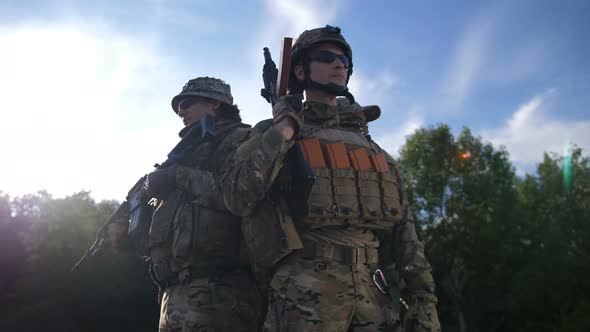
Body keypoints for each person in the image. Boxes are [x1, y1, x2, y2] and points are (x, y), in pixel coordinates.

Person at [219, 26, 441, 331]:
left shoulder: (372, 147)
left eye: (344, 61)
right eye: (326, 57)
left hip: (373, 293)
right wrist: (284, 128)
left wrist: (423, 297)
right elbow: (237, 194)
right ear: (299, 70)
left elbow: (406, 232)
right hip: (303, 292)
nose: (339, 65)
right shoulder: (272, 133)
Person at [108, 76, 260, 331]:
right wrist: (130, 236)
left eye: (187, 103)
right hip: (172, 293)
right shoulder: (185, 154)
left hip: (219, 291)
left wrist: (176, 175)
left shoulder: (241, 140)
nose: (181, 112)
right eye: (179, 107)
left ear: (215, 104)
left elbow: (240, 194)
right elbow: (177, 230)